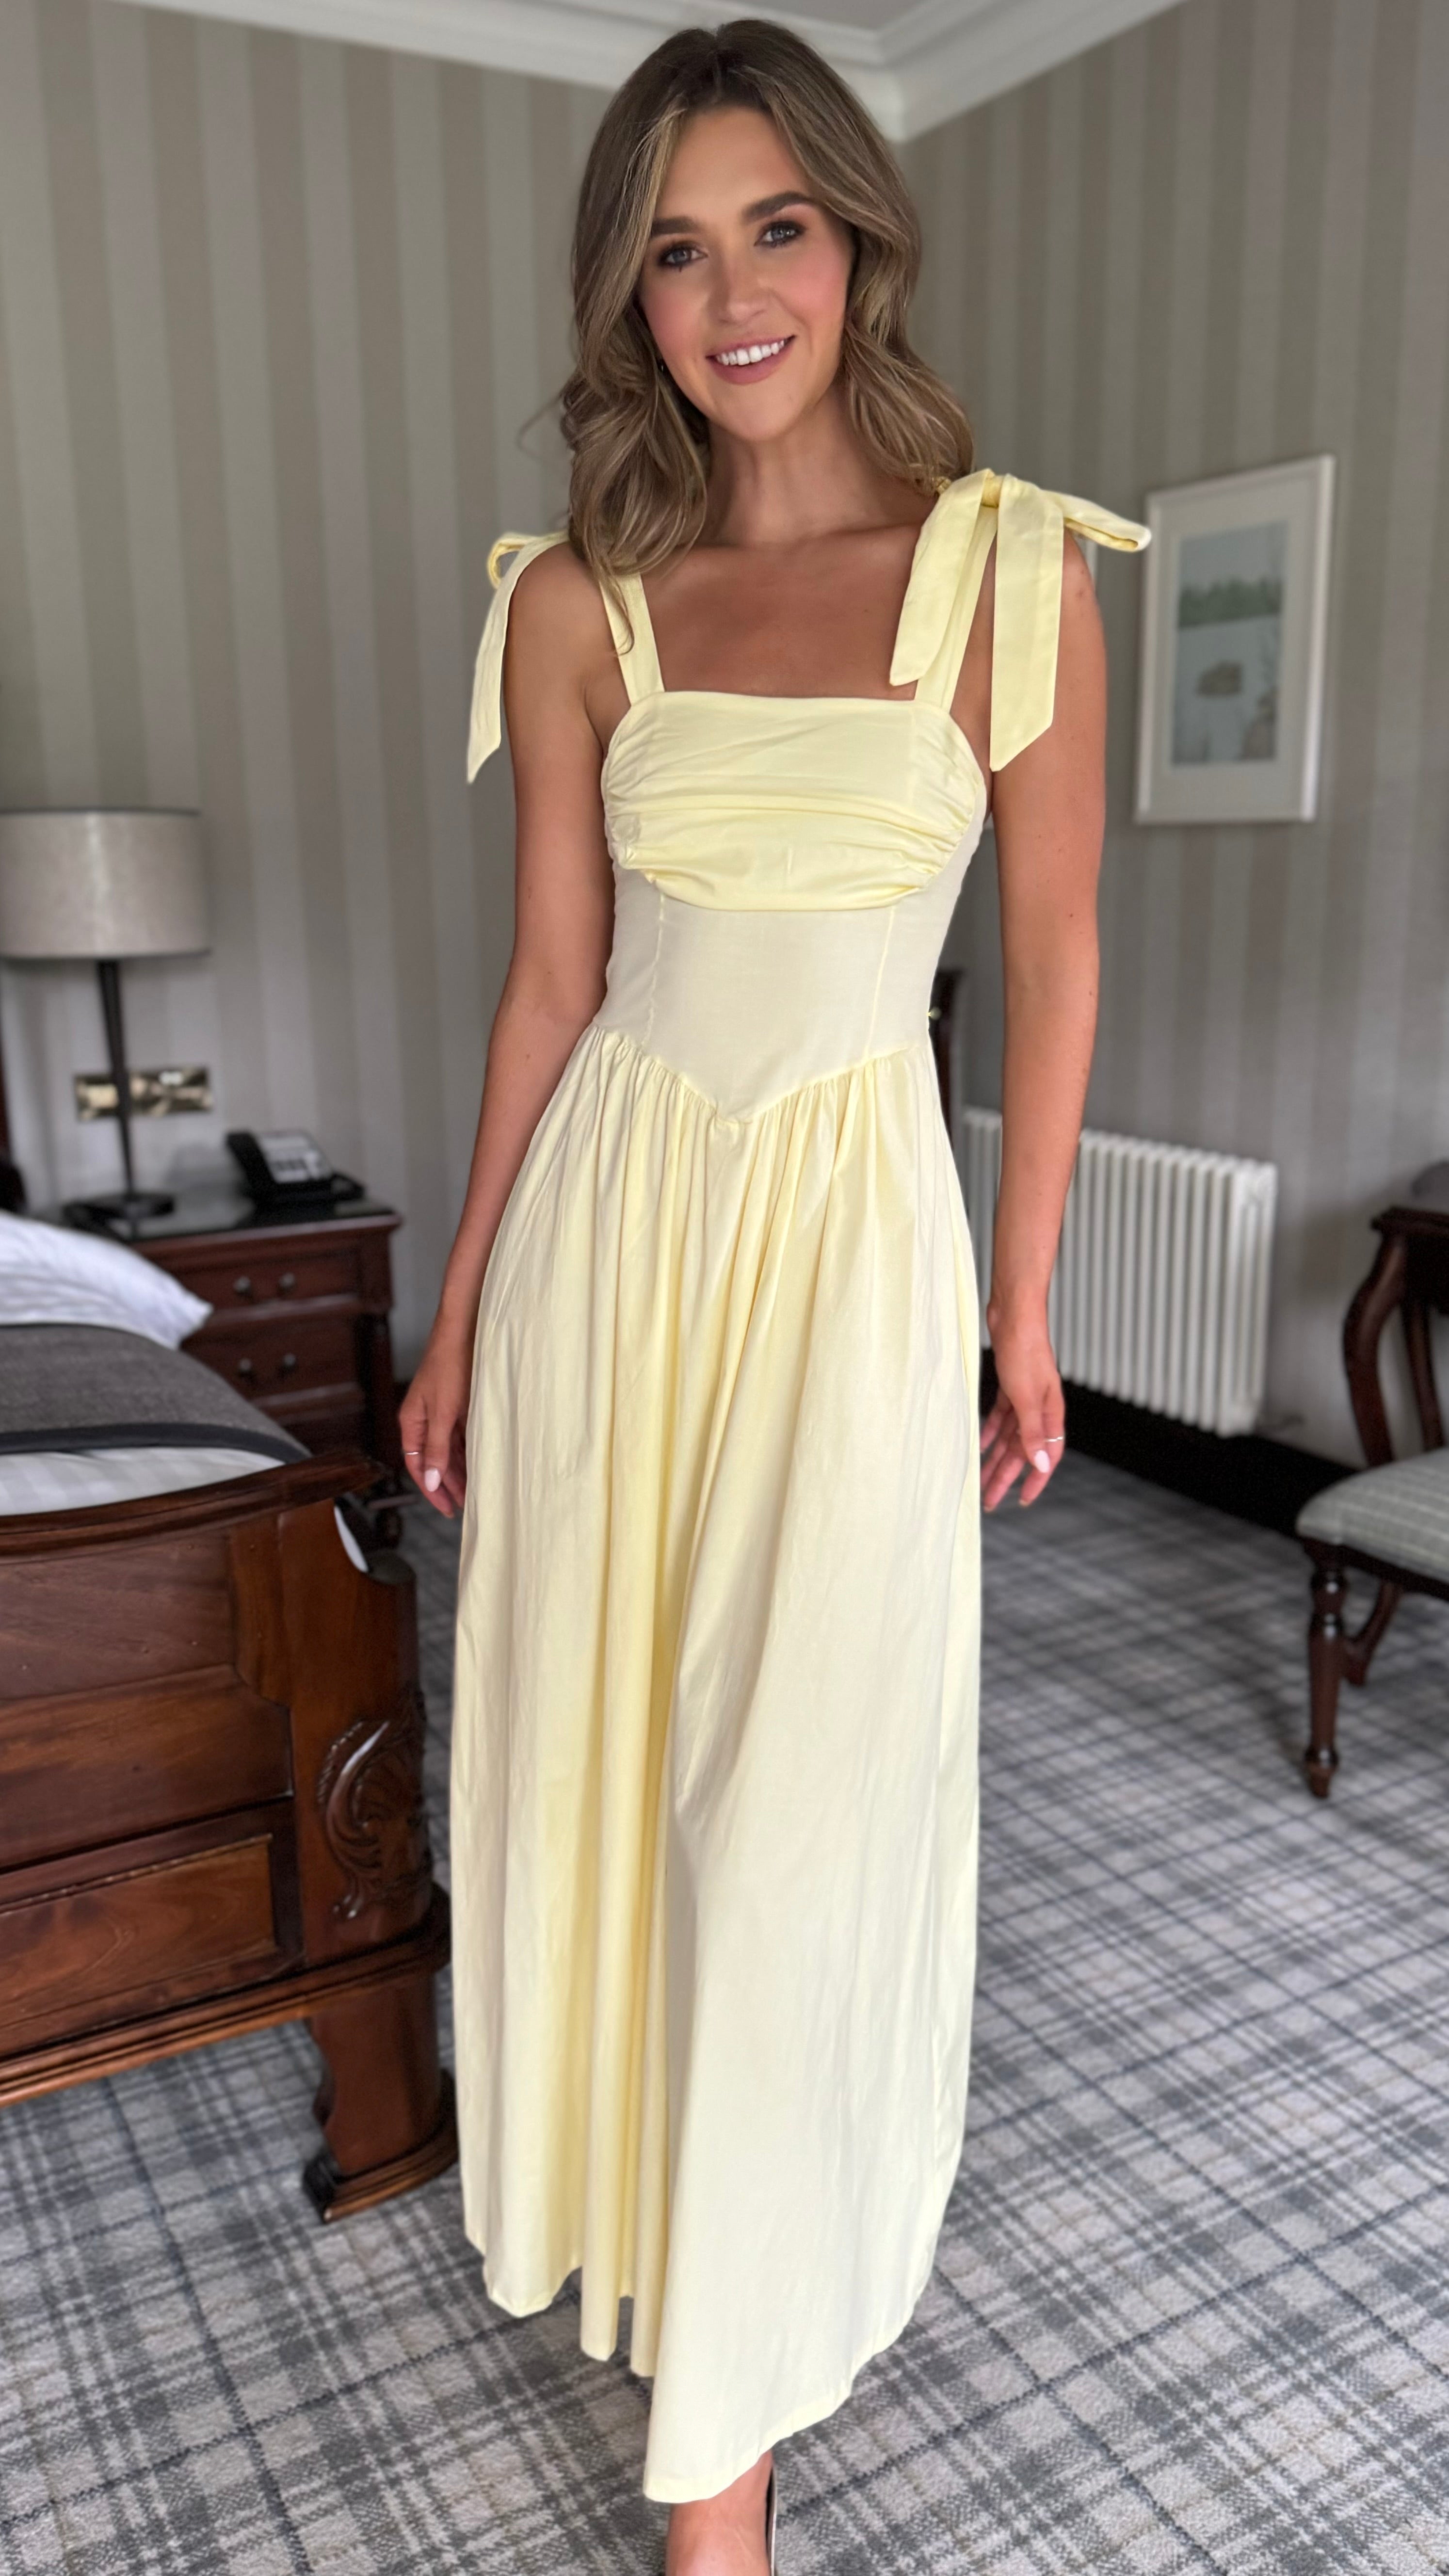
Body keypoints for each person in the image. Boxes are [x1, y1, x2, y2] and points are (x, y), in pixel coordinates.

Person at [400, 20, 1148, 2570]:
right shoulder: (578, 607)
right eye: (675, 249)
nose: (733, 293)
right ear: (630, 295)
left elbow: (1053, 963)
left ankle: (736, 2355)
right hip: (614, 1238)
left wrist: (1020, 1303)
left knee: (788, 1819)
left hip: (848, 1250)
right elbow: (549, 991)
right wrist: (462, 1304)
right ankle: (713, 2471)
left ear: (859, 242)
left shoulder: (1013, 575)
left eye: (777, 228)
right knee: (621, 1775)